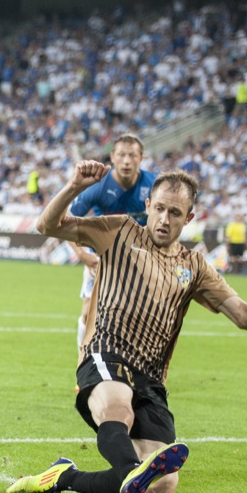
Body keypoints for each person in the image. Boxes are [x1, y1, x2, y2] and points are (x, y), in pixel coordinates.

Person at [7, 160, 247, 493]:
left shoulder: (195, 266)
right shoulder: (118, 230)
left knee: (162, 485)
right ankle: (131, 468)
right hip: (105, 352)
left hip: (151, 376)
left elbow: (245, 316)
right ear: (147, 205)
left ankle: (66, 476)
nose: (164, 219)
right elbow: (47, 225)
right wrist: (74, 187)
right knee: (119, 410)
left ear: (189, 218)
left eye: (175, 213)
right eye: (159, 208)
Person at [66, 134, 155, 351]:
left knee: (136, 317)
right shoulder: (99, 185)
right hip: (100, 257)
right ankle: (83, 358)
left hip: (137, 259)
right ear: (113, 157)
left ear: (141, 158)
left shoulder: (154, 185)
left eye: (132, 155)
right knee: (88, 313)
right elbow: (67, 219)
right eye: (122, 155)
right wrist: (83, 255)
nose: (127, 161)